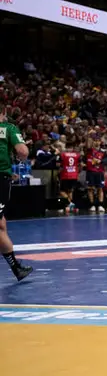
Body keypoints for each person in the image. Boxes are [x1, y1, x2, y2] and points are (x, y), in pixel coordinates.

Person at [0, 112, 33, 280]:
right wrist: (18, 161)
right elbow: (23, 151)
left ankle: (16, 269)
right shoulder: (8, 128)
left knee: (1, 225)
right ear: (3, 114)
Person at [55, 141, 82, 214]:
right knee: (70, 191)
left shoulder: (62, 154)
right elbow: (80, 165)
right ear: (72, 148)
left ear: (66, 147)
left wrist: (57, 173)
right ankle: (70, 206)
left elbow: (58, 165)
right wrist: (77, 172)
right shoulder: (77, 155)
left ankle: (70, 203)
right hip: (74, 175)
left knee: (61, 191)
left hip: (65, 175)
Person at [84, 142, 106, 212]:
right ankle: (92, 205)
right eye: (95, 142)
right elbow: (88, 144)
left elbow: (105, 162)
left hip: (99, 173)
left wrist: (104, 171)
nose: (96, 143)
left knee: (100, 188)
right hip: (90, 172)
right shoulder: (89, 151)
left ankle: (100, 205)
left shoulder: (102, 152)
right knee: (90, 189)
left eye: (98, 142)